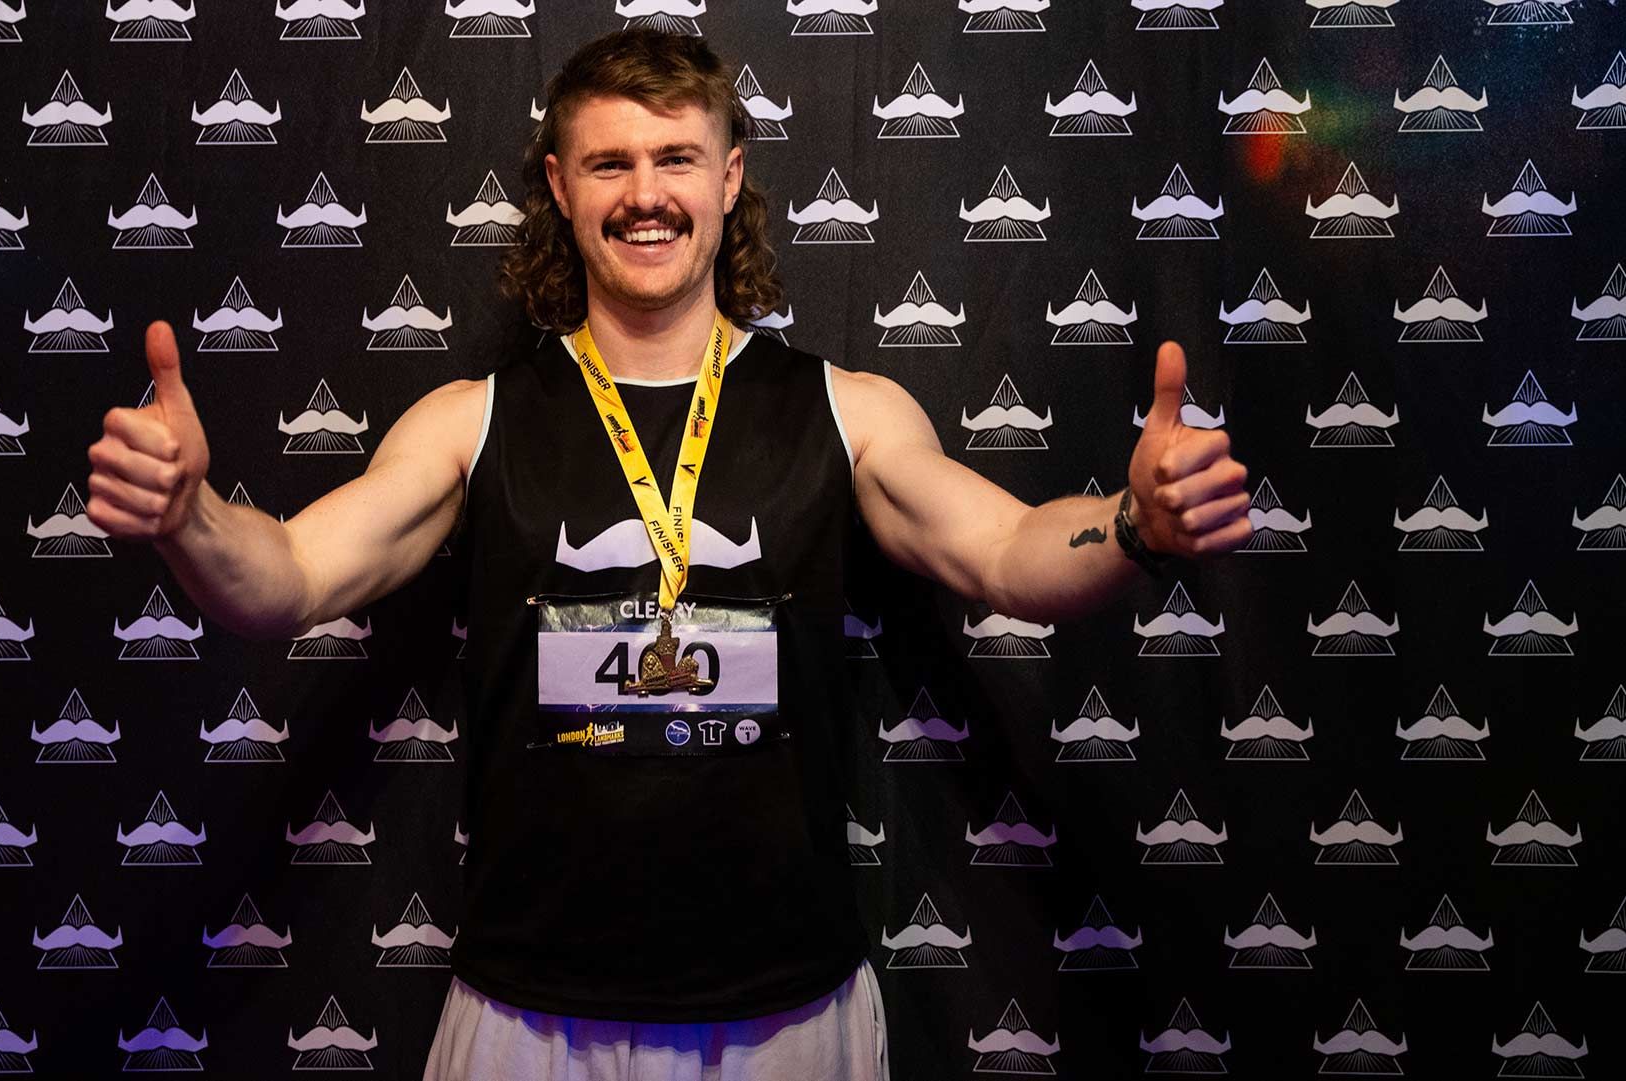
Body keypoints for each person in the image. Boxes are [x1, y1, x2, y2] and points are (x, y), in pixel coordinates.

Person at [86, 28, 1250, 1081]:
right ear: (559, 185)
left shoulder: (845, 410)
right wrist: (188, 516)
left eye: (676, 159)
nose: (647, 195)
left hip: (786, 1016)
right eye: (609, 163)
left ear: (729, 176)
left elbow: (1007, 553)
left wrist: (1136, 525)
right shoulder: (469, 419)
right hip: (529, 1018)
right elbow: (288, 575)